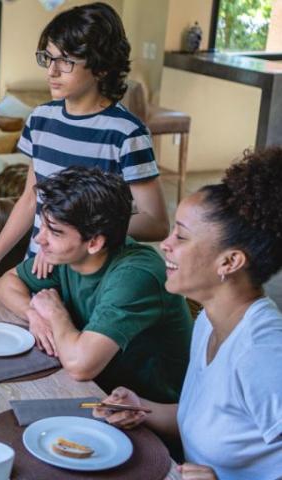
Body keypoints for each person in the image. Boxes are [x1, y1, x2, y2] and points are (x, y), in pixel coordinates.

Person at [0, 2, 169, 285]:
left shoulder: (126, 133)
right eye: (48, 58)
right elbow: (30, 199)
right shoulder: (40, 119)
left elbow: (156, 222)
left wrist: (80, 237)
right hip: (36, 273)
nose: (51, 71)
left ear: (101, 68)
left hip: (92, 283)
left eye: (66, 61)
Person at [95, 148, 282, 480]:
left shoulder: (263, 353)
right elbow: (204, 424)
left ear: (230, 262)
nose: (165, 244)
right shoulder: (209, 321)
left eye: (180, 236)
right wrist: (140, 408)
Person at [0, 167, 192, 403]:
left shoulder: (135, 275)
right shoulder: (69, 255)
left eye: (55, 232)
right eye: (44, 225)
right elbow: (6, 283)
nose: (39, 238)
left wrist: (55, 313)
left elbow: (80, 366)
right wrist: (33, 314)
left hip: (145, 413)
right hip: (94, 392)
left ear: (95, 242)